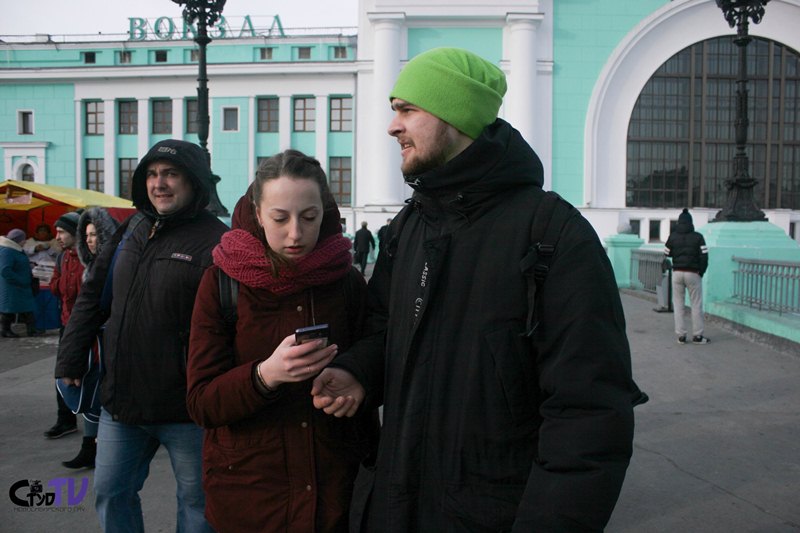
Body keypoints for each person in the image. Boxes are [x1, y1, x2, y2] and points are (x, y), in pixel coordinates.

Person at [311, 48, 640, 531]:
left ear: (455, 115)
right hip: (394, 509)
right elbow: (385, 328)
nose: (392, 127)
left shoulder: (553, 234)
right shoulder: (408, 226)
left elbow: (588, 413)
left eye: (407, 110)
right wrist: (358, 371)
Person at [187, 150, 379, 532]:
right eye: (280, 218)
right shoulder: (222, 282)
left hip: (335, 493)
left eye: (309, 217)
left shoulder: (346, 280)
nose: (295, 233)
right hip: (252, 499)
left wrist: (357, 376)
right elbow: (201, 402)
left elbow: (380, 351)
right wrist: (264, 376)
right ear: (258, 214)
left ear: (325, 212)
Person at [55, 139, 227, 533]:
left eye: (171, 174)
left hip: (187, 411)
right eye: (151, 174)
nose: (159, 183)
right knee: (110, 493)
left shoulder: (217, 241)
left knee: (198, 507)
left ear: (194, 181)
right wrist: (70, 356)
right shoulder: (132, 228)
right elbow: (92, 295)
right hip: (122, 405)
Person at [59, 207, 120, 469]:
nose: (90, 240)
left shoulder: (117, 267)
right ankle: (90, 446)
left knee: (99, 394)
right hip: (88, 340)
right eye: (86, 236)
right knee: (91, 392)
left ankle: (95, 447)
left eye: (94, 234)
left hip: (109, 343)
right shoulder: (87, 266)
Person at [45, 210, 84, 439]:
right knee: (63, 372)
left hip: (88, 326)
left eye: (61, 232)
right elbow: (54, 287)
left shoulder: (89, 257)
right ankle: (65, 419)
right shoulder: (62, 258)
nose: (57, 237)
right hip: (66, 323)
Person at [665, 208, 710, 345]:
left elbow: (667, 253)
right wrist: (701, 272)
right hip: (693, 273)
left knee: (678, 304)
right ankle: (697, 336)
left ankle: (681, 336)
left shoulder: (673, 236)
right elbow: (704, 256)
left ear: (679, 222)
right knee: (696, 304)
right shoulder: (698, 237)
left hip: (677, 272)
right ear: (691, 222)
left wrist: (676, 253)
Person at [0, 228, 36, 338]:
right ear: (18, 240)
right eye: (23, 239)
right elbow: (5, 270)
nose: (25, 241)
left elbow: (17, 264)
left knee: (26, 308)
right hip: (12, 287)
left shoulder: (15, 249)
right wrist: (21, 280)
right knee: (9, 310)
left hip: (20, 286)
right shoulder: (8, 251)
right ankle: (5, 330)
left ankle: (31, 330)